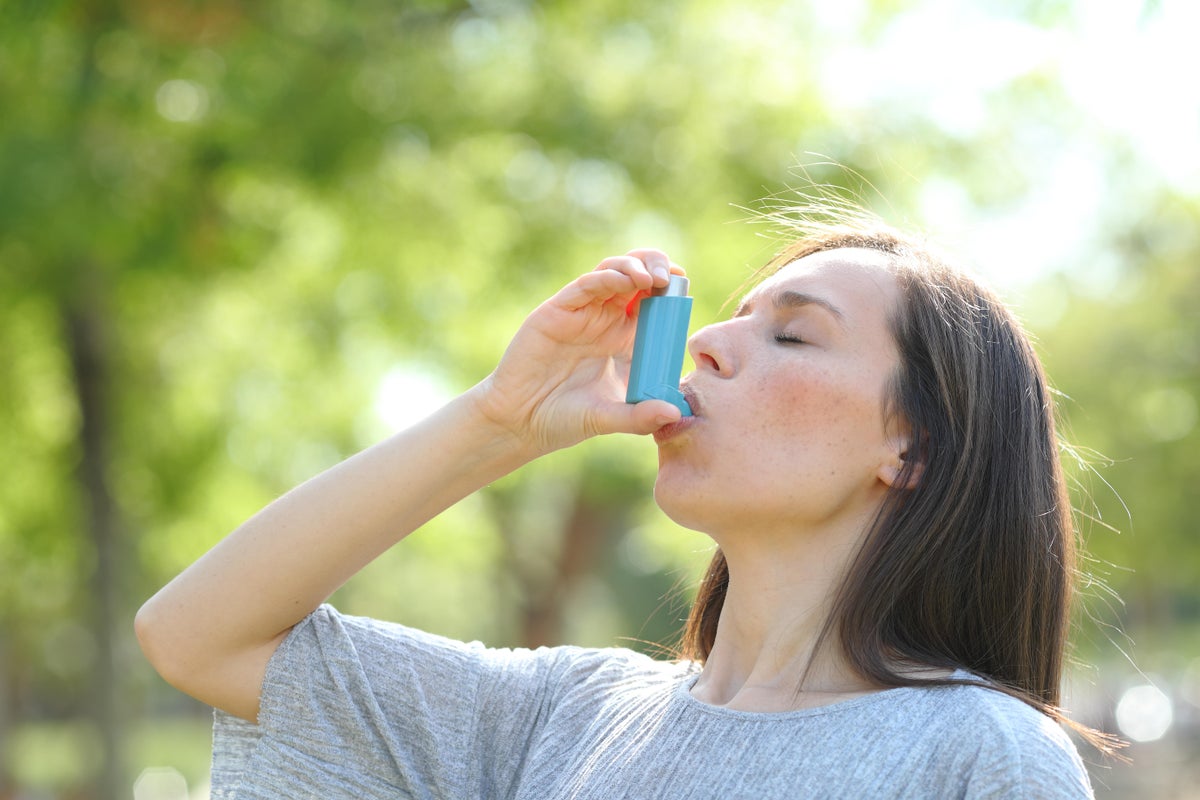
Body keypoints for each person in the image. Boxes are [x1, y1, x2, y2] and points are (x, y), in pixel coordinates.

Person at [136, 209, 1110, 798]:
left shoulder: (978, 755)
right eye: (724, 322)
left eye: (795, 337)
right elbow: (196, 633)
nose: (710, 347)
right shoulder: (560, 714)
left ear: (913, 444)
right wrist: (499, 420)